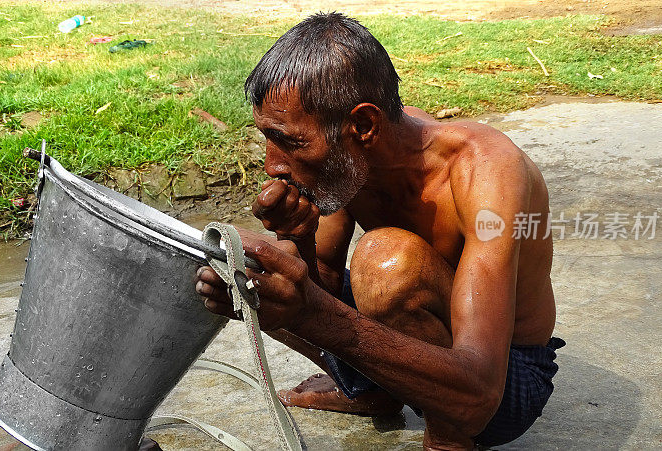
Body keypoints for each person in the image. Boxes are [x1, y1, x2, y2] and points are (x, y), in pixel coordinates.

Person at [195, 12, 564, 449]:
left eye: (291, 143)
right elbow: (324, 283)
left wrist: (310, 312)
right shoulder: (350, 159)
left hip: (502, 382)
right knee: (262, 278)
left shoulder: (486, 173)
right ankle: (371, 390)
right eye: (268, 139)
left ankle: (447, 441)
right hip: (434, 356)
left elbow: (479, 391)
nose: (273, 166)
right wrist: (299, 240)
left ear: (364, 125)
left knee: (386, 261)